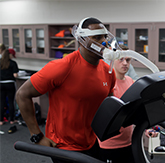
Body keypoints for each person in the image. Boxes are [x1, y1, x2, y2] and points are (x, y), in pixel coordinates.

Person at [15, 17, 116, 162]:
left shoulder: (108, 70)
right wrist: (37, 136)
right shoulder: (62, 67)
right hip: (63, 147)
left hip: (92, 142)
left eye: (105, 37)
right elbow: (22, 94)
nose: (104, 42)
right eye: (97, 37)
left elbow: (108, 103)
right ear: (82, 40)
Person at [98, 45, 157, 163]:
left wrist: (146, 128)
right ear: (112, 60)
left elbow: (136, 110)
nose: (125, 63)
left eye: (128, 60)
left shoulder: (131, 81)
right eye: (121, 59)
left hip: (129, 141)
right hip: (110, 145)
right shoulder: (106, 84)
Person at [0, 48, 19, 126]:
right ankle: (12, 119)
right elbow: (15, 75)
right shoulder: (13, 63)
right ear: (10, 55)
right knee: (11, 102)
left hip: (1, 84)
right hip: (10, 84)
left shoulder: (0, 62)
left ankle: (1, 120)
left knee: (1, 102)